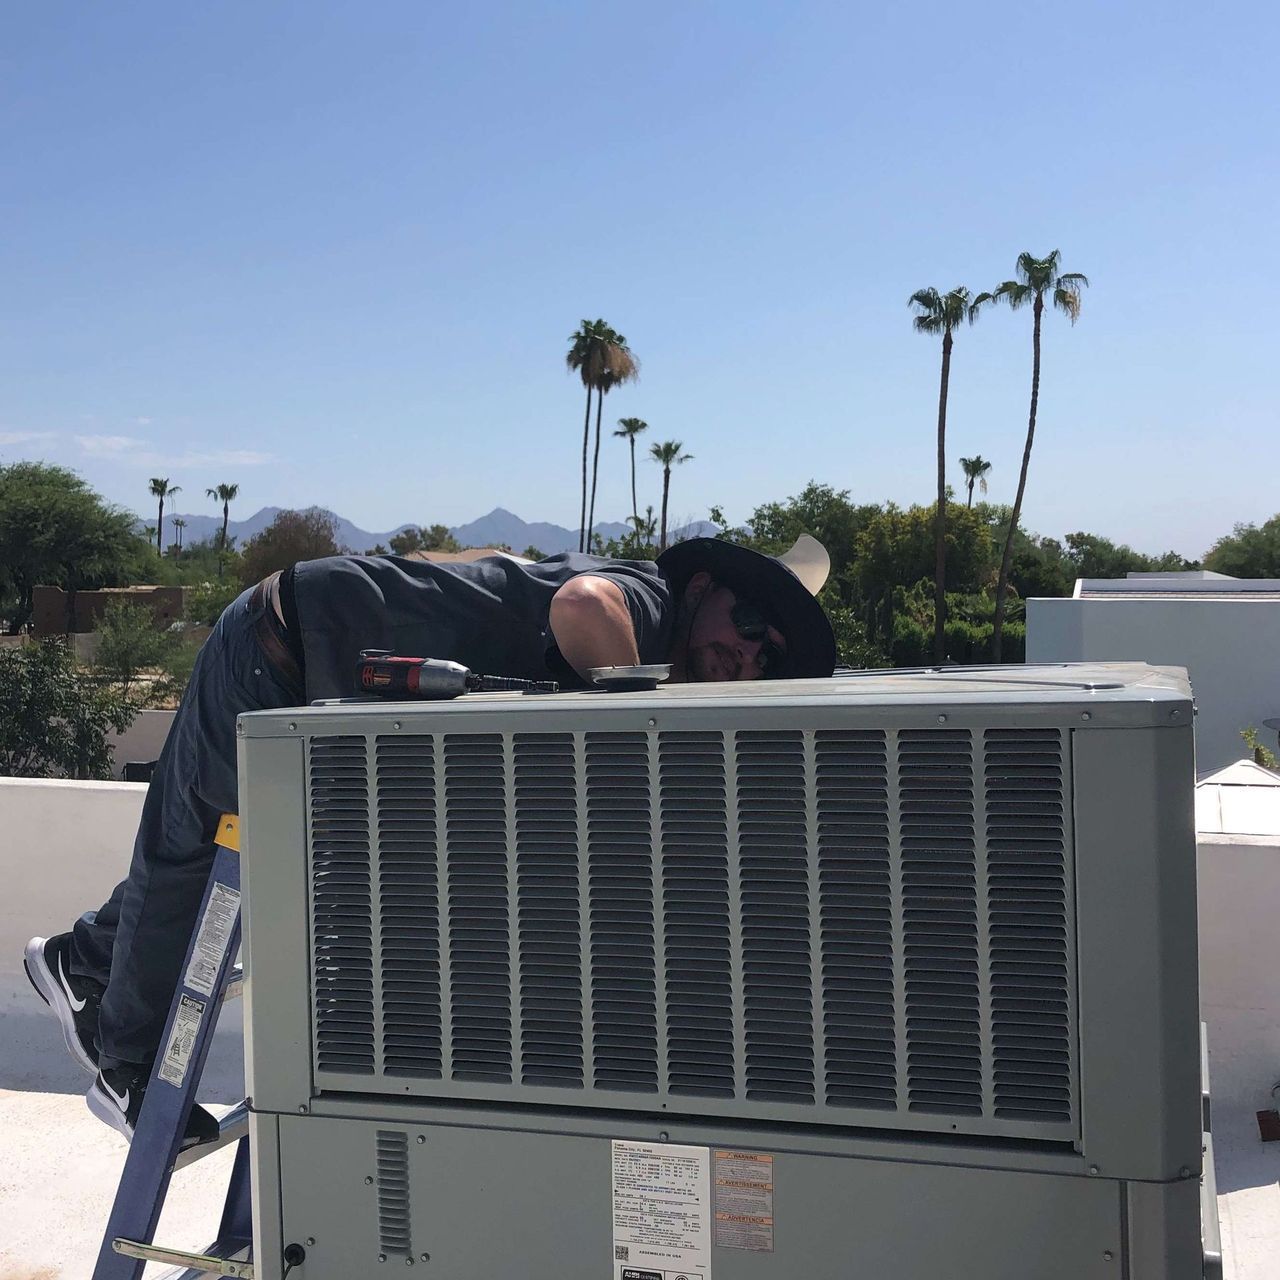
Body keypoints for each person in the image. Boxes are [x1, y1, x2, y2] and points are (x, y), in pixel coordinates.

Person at [24, 534, 836, 1147]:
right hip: (280, 647)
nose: (751, 650)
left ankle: (82, 956)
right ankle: (123, 1061)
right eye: (752, 620)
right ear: (701, 586)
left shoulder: (664, 630)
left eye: (771, 654)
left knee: (242, 855)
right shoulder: (649, 602)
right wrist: (635, 758)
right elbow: (584, 608)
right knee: (193, 847)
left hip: (325, 685)